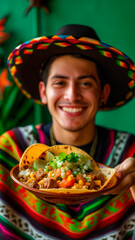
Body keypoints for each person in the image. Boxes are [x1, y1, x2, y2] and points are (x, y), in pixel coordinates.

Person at [0, 24, 135, 240]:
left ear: (103, 93)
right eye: (60, 82)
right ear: (43, 92)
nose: (72, 96)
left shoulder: (131, 154)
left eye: (86, 83)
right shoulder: (8, 150)